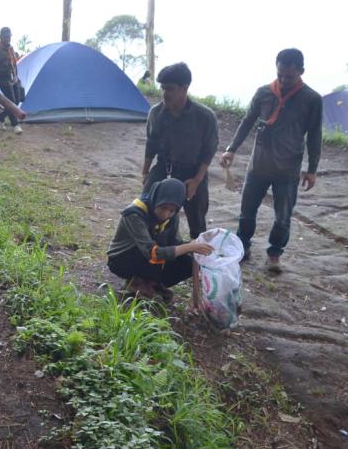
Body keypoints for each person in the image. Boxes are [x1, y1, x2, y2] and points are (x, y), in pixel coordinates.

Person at [220, 48, 322, 273]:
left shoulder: (312, 99)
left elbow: (315, 135)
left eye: (290, 76)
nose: (284, 81)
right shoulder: (264, 93)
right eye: (280, 75)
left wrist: (312, 169)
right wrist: (231, 149)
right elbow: (247, 122)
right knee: (247, 211)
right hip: (258, 167)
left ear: (301, 72)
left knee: (283, 217)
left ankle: (274, 254)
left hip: (288, 171)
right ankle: (243, 247)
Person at [142, 62, 218, 239]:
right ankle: (149, 251)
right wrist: (145, 172)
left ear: (185, 88)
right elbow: (151, 143)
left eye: (170, 89)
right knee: (146, 207)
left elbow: (209, 150)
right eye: (162, 88)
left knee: (197, 221)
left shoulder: (205, 117)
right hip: (164, 167)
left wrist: (197, 180)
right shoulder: (156, 113)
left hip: (193, 171)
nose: (165, 94)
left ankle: (198, 260)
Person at [107, 178, 214, 300]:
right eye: (163, 207)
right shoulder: (134, 214)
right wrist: (189, 247)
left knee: (187, 263)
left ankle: (151, 284)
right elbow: (152, 252)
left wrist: (196, 246)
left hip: (150, 257)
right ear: (156, 199)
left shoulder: (172, 216)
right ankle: (135, 282)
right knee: (156, 253)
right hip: (125, 258)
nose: (166, 214)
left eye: (171, 210)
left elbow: (176, 243)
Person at [0, 27, 23, 135]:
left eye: (9, 37)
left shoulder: (11, 49)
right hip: (3, 79)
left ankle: (0, 118)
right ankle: (15, 125)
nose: (8, 39)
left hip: (13, 78)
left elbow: (14, 63)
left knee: (16, 101)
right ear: (1, 37)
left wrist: (17, 77)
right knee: (11, 101)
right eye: (6, 37)